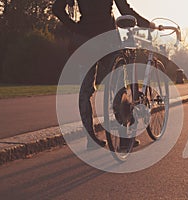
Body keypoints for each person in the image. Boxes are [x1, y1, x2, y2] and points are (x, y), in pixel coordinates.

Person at [52, 0, 156, 149]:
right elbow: (124, 10)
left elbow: (57, 8)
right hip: (108, 39)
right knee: (118, 86)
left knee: (85, 89)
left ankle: (91, 140)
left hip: (84, 39)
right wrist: (146, 24)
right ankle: (124, 138)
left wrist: (76, 28)